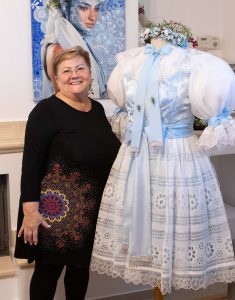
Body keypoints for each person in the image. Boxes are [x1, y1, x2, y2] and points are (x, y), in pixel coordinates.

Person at [91, 20, 235, 294]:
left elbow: (214, 113)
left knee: (174, 222)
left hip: (177, 156)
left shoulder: (195, 64)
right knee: (143, 213)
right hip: (137, 154)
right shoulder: (128, 63)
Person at [14, 46, 120, 300]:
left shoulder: (96, 110)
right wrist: (30, 213)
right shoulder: (45, 112)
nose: (74, 75)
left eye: (80, 68)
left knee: (80, 269)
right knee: (48, 271)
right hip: (54, 210)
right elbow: (31, 163)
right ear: (56, 79)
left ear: (90, 74)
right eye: (66, 70)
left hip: (88, 208)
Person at [43, 0, 106, 99]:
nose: (93, 17)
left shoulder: (85, 44)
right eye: (84, 8)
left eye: (96, 8)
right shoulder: (57, 49)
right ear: (65, 8)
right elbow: (63, 104)